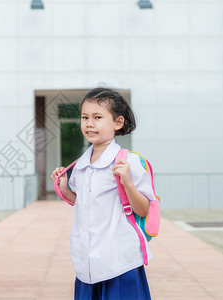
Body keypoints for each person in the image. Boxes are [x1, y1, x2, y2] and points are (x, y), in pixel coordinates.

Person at [51, 88, 155, 299]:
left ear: (117, 123)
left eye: (97, 117)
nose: (89, 123)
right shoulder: (79, 166)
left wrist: (127, 183)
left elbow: (143, 209)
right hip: (87, 265)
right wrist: (64, 189)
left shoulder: (129, 162)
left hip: (119, 264)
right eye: (85, 117)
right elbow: (84, 203)